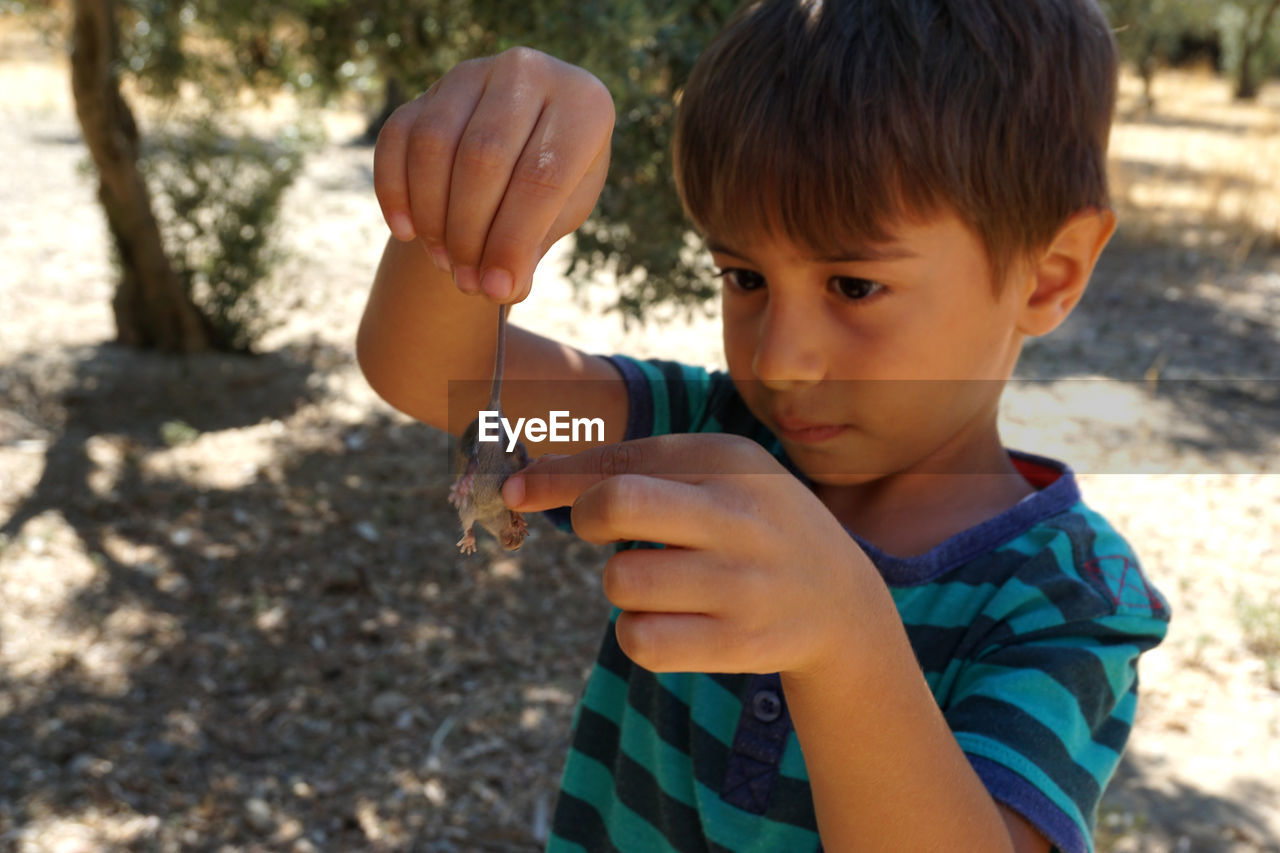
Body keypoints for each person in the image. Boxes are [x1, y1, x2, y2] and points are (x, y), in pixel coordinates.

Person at [356, 0, 1170, 850]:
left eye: (853, 286)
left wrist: (848, 643)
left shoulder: (1066, 599)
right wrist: (478, 192)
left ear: (1049, 275)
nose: (779, 358)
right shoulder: (700, 439)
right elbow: (429, 372)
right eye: (744, 276)